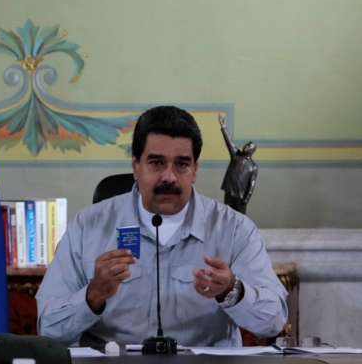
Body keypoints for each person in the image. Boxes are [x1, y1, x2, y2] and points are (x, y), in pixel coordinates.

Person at [36, 105, 287, 348]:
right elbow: (48, 329)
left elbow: (273, 322)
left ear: (195, 170)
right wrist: (93, 295)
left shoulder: (235, 229)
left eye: (181, 164)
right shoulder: (86, 227)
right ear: (135, 166)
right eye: (156, 163)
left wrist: (231, 291)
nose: (169, 177)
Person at [218, 113, 258, 214]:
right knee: (227, 214)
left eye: (249, 146)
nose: (246, 146)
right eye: (247, 144)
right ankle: (226, 229)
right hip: (229, 190)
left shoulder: (253, 167)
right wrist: (223, 127)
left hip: (240, 195)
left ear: (252, 151)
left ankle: (239, 230)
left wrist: (247, 198)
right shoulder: (236, 155)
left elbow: (251, 185)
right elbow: (229, 142)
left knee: (240, 216)